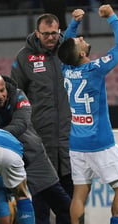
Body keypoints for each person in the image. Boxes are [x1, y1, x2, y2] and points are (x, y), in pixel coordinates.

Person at [57, 5, 118, 224]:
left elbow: (64, 49)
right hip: (101, 142)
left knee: (80, 193)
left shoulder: (66, 69)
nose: (81, 39)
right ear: (80, 53)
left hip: (77, 144)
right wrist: (111, 17)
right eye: (79, 40)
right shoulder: (95, 69)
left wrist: (74, 24)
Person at [0, 73, 76, 224]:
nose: (1, 95)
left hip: (32, 153)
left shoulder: (18, 95)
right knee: (20, 199)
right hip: (0, 157)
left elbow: (21, 124)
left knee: (57, 196)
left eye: (2, 90)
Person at [10, 13, 73, 199]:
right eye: (46, 34)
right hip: (38, 134)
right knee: (41, 188)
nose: (51, 37)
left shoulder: (69, 53)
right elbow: (16, 95)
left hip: (68, 133)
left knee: (72, 185)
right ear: (37, 33)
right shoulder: (24, 57)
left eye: (54, 33)